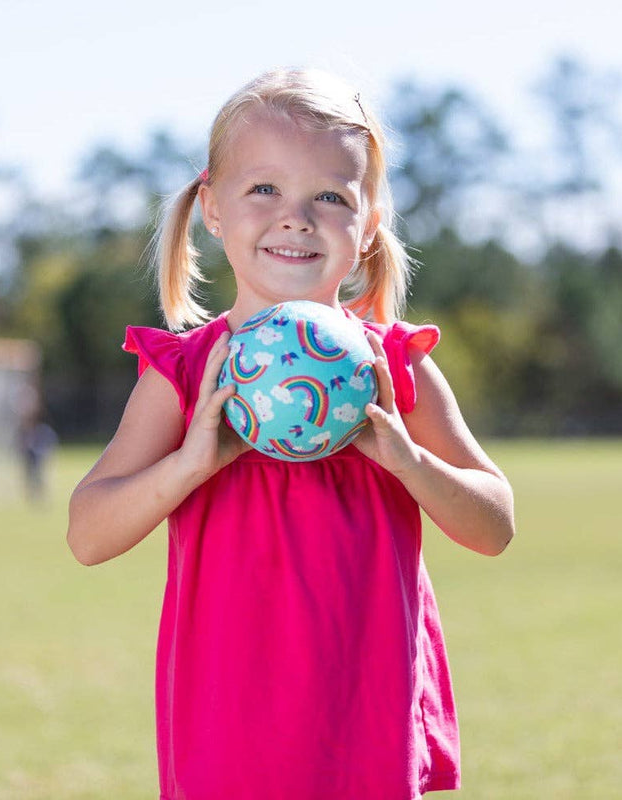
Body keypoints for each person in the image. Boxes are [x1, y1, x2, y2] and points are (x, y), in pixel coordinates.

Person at [67, 68, 515, 800]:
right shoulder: (184, 373)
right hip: (227, 726)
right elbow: (88, 534)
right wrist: (188, 465)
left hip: (366, 716)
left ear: (368, 224)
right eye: (264, 189)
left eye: (330, 197)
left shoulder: (394, 370)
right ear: (212, 207)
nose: (295, 217)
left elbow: (494, 525)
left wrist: (406, 460)